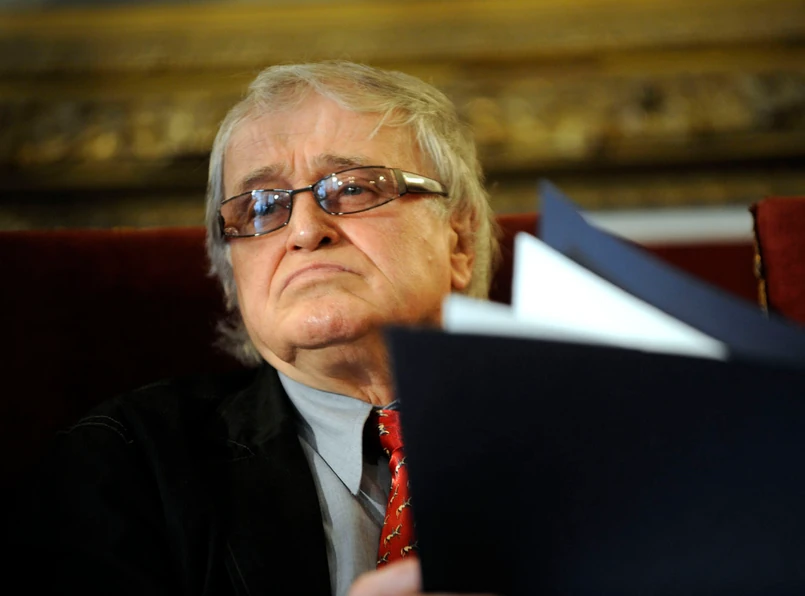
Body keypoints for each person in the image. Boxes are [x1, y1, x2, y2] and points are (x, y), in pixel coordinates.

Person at [12, 61, 500, 596]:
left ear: (459, 240)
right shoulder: (125, 462)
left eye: (354, 188)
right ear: (231, 274)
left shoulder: (570, 423)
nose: (306, 230)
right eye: (261, 207)